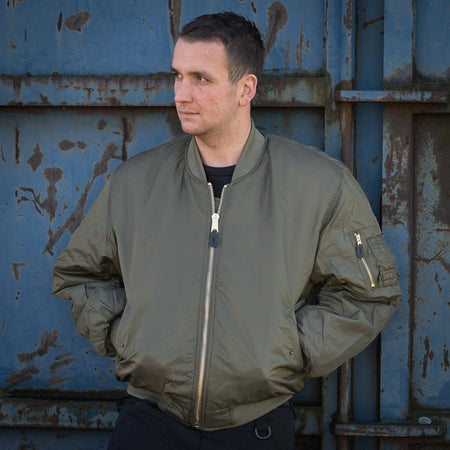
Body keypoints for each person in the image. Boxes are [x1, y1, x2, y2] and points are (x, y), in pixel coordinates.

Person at [52, 12, 402, 450]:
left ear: (246, 89)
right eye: (177, 76)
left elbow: (368, 294)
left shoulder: (317, 184)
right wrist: (130, 336)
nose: (181, 94)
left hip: (256, 425)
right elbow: (80, 274)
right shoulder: (136, 183)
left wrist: (286, 351)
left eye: (201, 78)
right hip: (149, 421)